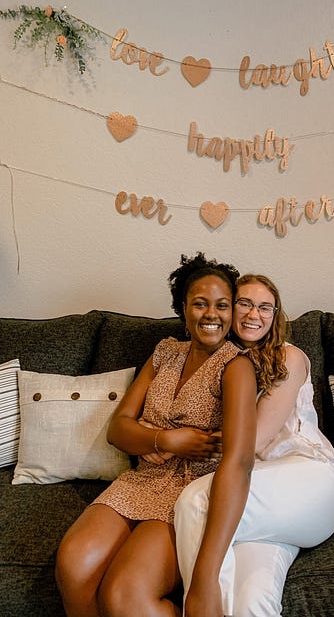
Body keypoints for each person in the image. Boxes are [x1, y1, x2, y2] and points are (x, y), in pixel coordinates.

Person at [55, 253, 257, 617]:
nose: (211, 314)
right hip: (141, 479)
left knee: (123, 595)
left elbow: (240, 461)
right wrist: (167, 439)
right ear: (184, 309)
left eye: (222, 305)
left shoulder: (236, 365)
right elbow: (118, 429)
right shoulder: (165, 352)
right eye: (200, 303)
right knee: (73, 564)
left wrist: (205, 578)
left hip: (188, 491)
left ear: (232, 312)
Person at [174, 274, 334, 616]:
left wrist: (173, 444)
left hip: (309, 481)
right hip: (259, 495)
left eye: (265, 307)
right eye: (245, 304)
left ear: (275, 315)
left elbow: (253, 440)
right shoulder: (221, 361)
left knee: (196, 500)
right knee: (252, 600)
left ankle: (201, 604)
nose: (255, 314)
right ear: (230, 308)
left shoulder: (288, 357)